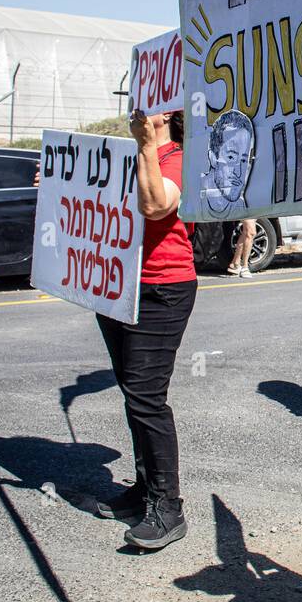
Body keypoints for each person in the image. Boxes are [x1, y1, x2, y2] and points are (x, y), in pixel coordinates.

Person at [93, 107, 199, 550]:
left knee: (147, 398)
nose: (139, 108)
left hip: (162, 289)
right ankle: (144, 489)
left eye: (151, 104)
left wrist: (144, 146)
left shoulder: (178, 158)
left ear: (170, 115)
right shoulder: (130, 156)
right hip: (119, 285)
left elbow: (156, 206)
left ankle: (167, 507)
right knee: (133, 395)